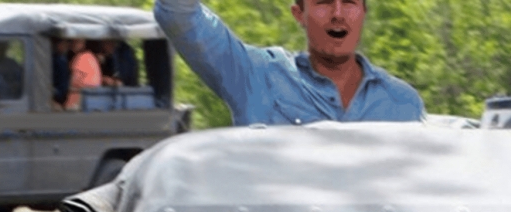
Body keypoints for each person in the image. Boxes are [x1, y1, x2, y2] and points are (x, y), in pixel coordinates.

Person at [153, 0, 424, 125]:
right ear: (299, 14)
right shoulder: (255, 75)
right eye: (324, 2)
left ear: (363, 11)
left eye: (350, 2)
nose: (338, 13)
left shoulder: (403, 102)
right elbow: (177, 14)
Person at [65, 38, 102, 110]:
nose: (72, 44)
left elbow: (74, 81)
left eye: (76, 42)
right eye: (72, 42)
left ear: (83, 44)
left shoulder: (81, 57)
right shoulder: (90, 56)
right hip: (92, 96)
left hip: (81, 95)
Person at [52, 38, 72, 108]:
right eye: (62, 44)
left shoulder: (63, 59)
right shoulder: (57, 60)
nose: (65, 46)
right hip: (57, 94)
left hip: (61, 94)